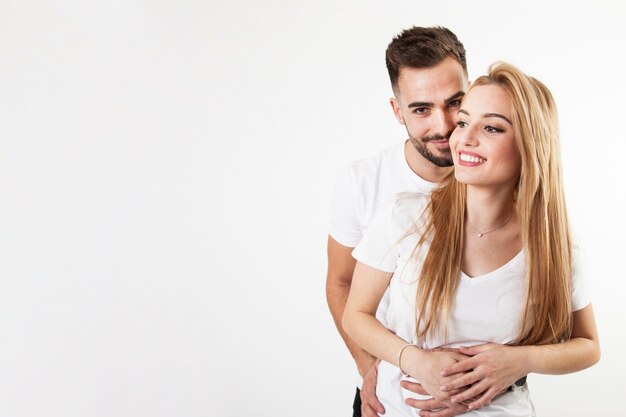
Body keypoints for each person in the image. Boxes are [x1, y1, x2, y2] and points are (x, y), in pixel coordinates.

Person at [342, 62, 601, 417]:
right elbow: (356, 314)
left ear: (530, 145)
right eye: (464, 122)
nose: (464, 136)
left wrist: (519, 360)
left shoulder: (555, 247)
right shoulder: (404, 216)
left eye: (492, 127)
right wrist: (415, 361)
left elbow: (587, 346)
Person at [326, 26, 469, 417]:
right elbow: (341, 281)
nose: (442, 125)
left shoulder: (498, 176)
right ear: (397, 111)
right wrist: (368, 366)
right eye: (421, 109)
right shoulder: (362, 182)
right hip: (388, 396)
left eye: (454, 102)